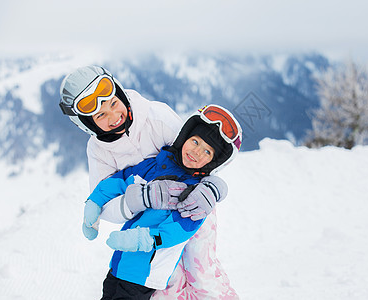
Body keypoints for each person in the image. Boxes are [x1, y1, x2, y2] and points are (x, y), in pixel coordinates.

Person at [59, 66, 239, 299]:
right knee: (167, 284)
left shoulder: (156, 116)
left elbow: (201, 154)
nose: (114, 117)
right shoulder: (98, 152)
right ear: (87, 123)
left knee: (200, 271)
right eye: (100, 115)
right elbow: (106, 200)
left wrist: (214, 189)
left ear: (120, 93)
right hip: (147, 224)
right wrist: (137, 199)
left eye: (113, 104)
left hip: (193, 209)